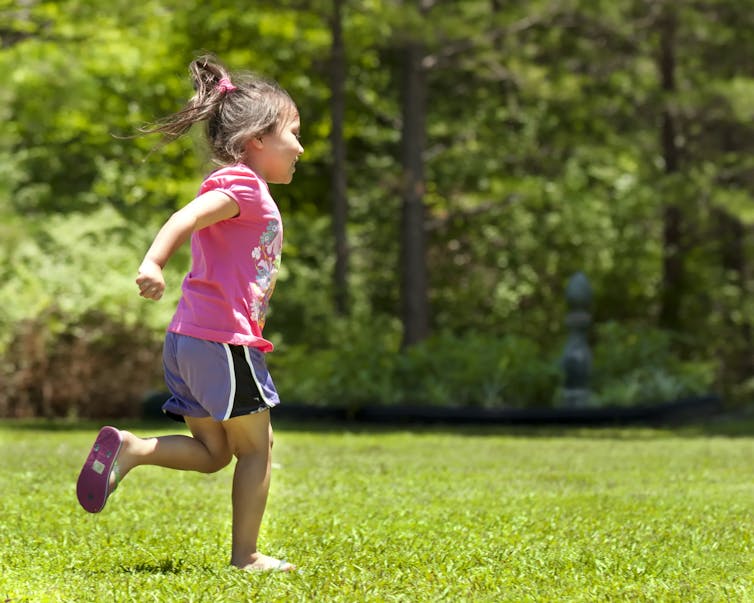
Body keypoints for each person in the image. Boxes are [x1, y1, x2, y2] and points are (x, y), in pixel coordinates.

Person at [75, 54, 304, 573]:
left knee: (214, 453)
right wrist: (154, 262)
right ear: (257, 141)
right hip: (221, 342)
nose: (301, 147)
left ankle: (132, 448)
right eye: (293, 133)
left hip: (189, 341)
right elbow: (186, 216)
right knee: (256, 448)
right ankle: (246, 557)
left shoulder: (241, 186)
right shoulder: (243, 186)